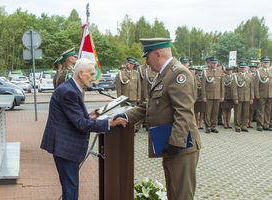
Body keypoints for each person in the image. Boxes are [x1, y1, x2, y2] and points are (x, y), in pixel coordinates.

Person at [116, 38, 201, 200]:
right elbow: (151, 105)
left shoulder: (179, 74)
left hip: (181, 145)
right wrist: (126, 115)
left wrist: (176, 142)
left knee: (182, 195)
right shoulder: (164, 74)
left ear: (158, 54)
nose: (146, 63)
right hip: (169, 144)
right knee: (173, 192)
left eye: (146, 57)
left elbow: (184, 112)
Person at [40, 58, 128, 200]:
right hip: (65, 148)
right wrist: (109, 123)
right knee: (70, 191)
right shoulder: (70, 92)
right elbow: (81, 124)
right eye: (92, 74)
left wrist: (89, 116)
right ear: (81, 73)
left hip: (65, 147)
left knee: (71, 188)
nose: (94, 79)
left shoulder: (71, 88)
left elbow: (73, 118)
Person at [115, 57, 141, 132]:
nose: (131, 65)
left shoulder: (136, 73)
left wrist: (139, 96)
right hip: (124, 97)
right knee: (124, 112)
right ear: (126, 63)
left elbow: (139, 86)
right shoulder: (121, 73)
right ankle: (124, 126)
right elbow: (118, 86)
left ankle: (134, 128)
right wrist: (119, 98)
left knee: (134, 113)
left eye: (133, 64)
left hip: (134, 96)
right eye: (130, 63)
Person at [201, 56, 225, 133]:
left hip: (217, 95)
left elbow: (222, 85)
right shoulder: (206, 71)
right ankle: (208, 127)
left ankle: (213, 126)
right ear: (210, 63)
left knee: (215, 112)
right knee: (208, 112)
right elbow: (203, 85)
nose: (214, 64)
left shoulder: (220, 72)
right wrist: (204, 96)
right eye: (213, 63)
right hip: (208, 95)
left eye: (216, 63)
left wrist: (222, 95)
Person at [231, 62, 254, 132]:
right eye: (242, 67)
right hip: (239, 97)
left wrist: (251, 97)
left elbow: (251, 88)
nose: (243, 68)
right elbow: (233, 88)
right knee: (237, 113)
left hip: (247, 97)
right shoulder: (235, 76)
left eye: (244, 67)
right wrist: (235, 98)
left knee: (246, 112)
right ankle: (237, 126)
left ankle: (244, 126)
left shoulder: (249, 76)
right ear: (239, 68)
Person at [254, 56, 272, 131]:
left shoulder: (271, 71)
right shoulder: (258, 71)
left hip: (270, 94)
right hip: (261, 94)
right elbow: (256, 84)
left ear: (269, 63)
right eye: (264, 62)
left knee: (268, 110)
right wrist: (257, 93)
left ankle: (266, 124)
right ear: (262, 63)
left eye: (267, 62)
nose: (266, 64)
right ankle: (260, 125)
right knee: (260, 110)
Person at [247, 62, 258, 128]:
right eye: (252, 67)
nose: (253, 68)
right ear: (250, 68)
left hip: (255, 93)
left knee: (252, 109)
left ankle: (250, 122)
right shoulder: (248, 74)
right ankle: (247, 122)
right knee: (247, 109)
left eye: (254, 67)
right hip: (248, 93)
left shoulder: (257, 74)